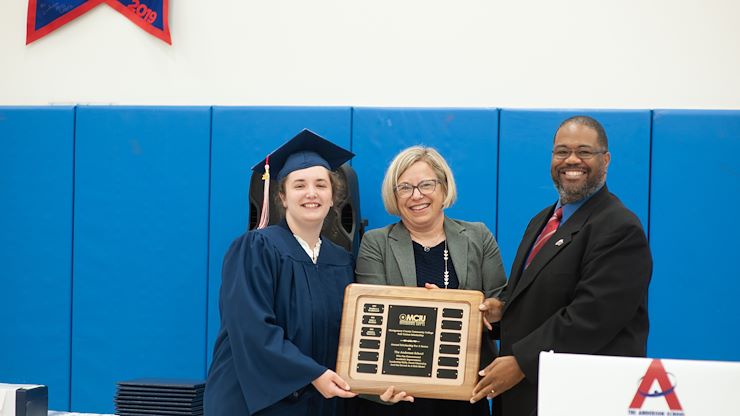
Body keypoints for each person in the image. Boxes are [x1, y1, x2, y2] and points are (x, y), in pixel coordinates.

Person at [471, 116, 652, 415]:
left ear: (605, 159)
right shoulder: (542, 221)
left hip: (580, 397)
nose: (572, 160)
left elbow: (592, 317)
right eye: (562, 151)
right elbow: (545, 296)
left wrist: (522, 362)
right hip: (529, 397)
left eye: (584, 151)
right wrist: (501, 311)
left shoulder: (619, 227)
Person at [204, 129, 358, 416]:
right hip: (253, 404)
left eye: (321, 185)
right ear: (282, 197)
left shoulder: (342, 262)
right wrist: (313, 374)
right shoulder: (256, 248)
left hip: (316, 403)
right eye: (299, 185)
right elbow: (252, 328)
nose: (311, 193)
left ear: (333, 197)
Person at [353, 146, 507, 416]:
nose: (417, 195)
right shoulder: (375, 243)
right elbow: (371, 320)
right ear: (394, 195)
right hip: (399, 395)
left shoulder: (478, 236)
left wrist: (487, 309)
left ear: (444, 188)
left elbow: (504, 307)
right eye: (405, 188)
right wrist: (442, 308)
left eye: (426, 184)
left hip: (464, 397)